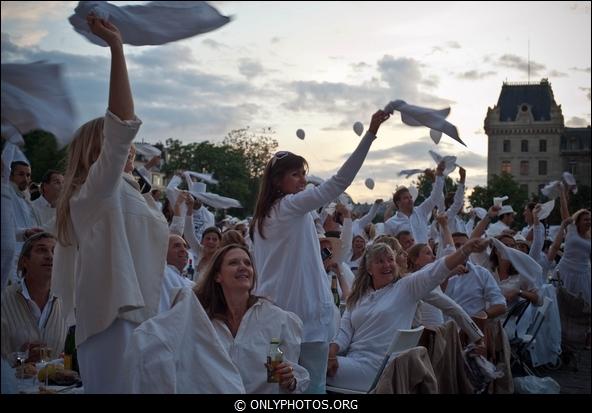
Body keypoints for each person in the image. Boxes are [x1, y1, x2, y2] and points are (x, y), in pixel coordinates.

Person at [53, 15, 169, 393]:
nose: (131, 149)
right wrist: (117, 49)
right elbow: (122, 121)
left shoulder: (128, 191)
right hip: (112, 321)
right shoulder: (95, 193)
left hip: (144, 319)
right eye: (119, 146)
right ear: (99, 150)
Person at [250, 110, 390, 393]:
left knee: (276, 388)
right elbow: (339, 183)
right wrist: (370, 134)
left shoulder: (260, 219)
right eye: (295, 174)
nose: (303, 180)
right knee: (313, 388)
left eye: (304, 173)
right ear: (277, 181)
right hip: (305, 321)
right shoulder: (289, 207)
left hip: (271, 319)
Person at [326, 239, 488, 392]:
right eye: (380, 261)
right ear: (369, 269)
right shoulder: (359, 296)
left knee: (310, 369)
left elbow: (435, 271)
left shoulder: (406, 287)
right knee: (314, 363)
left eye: (390, 259)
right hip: (353, 361)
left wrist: (465, 250)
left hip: (379, 369)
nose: (387, 265)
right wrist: (332, 353)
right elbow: (344, 331)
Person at [196, 244, 310, 393]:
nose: (243, 267)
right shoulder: (203, 321)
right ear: (218, 276)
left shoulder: (277, 319)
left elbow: (293, 375)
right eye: (233, 263)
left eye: (247, 263)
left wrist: (290, 381)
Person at [1, 232, 67, 363]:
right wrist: (19, 359)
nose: (50, 256)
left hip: (53, 383)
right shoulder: (3, 299)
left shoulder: (66, 303)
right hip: (11, 383)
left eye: (55, 251)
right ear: (24, 261)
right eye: (41, 250)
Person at [384, 162, 445, 243]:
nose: (410, 200)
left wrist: (435, 178)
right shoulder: (390, 224)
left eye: (411, 197)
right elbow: (391, 246)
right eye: (406, 198)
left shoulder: (421, 211)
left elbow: (436, 196)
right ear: (398, 202)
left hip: (425, 254)